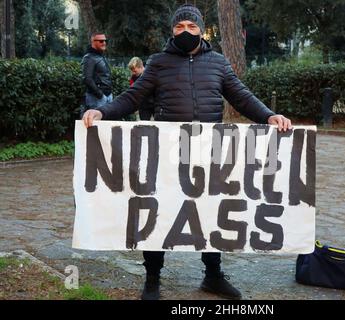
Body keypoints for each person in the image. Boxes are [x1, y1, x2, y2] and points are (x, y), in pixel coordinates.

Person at [82, 4, 293, 301]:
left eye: (191, 27)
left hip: (209, 153)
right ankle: (152, 278)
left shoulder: (218, 62)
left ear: (201, 30)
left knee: (210, 214)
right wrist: (102, 112)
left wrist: (269, 116)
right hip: (168, 154)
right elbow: (133, 97)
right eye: (179, 28)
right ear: (172, 31)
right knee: (158, 211)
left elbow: (241, 96)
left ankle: (213, 276)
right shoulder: (158, 63)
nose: (185, 32)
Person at [81, 32, 113, 112]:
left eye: (105, 41)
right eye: (101, 41)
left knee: (107, 122)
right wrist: (100, 95)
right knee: (97, 123)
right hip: (97, 98)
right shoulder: (89, 57)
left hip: (107, 96)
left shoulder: (100, 56)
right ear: (93, 42)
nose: (104, 43)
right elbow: (87, 79)